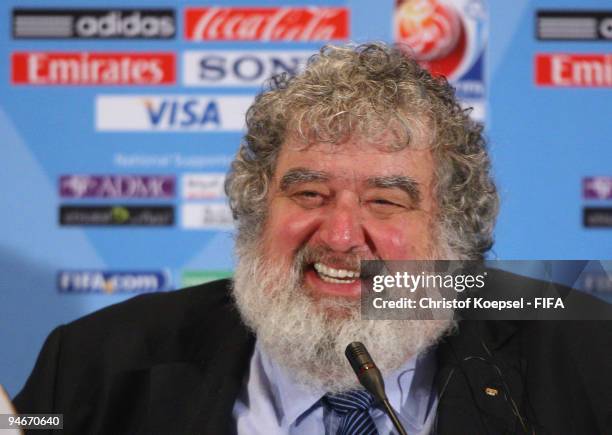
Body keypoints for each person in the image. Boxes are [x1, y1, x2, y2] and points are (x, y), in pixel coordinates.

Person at [14, 43, 611, 434]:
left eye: (385, 201)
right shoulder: (96, 361)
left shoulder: (585, 357)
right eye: (309, 195)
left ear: (449, 229)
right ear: (258, 204)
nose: (341, 235)